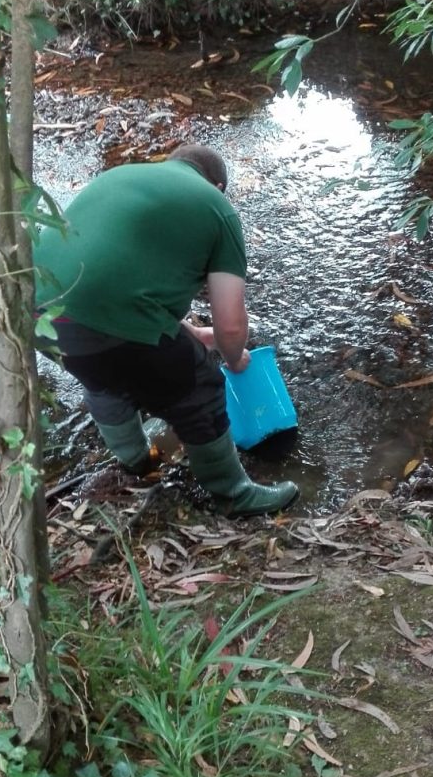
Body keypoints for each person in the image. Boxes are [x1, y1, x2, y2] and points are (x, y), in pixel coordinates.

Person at [34, 143, 298, 515]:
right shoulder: (217, 207)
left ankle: (136, 462)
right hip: (113, 314)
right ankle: (234, 494)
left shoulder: (121, 176)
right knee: (200, 386)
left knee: (104, 376)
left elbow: (122, 276)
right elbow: (232, 323)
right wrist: (234, 356)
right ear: (218, 185)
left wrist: (195, 334)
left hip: (36, 309)